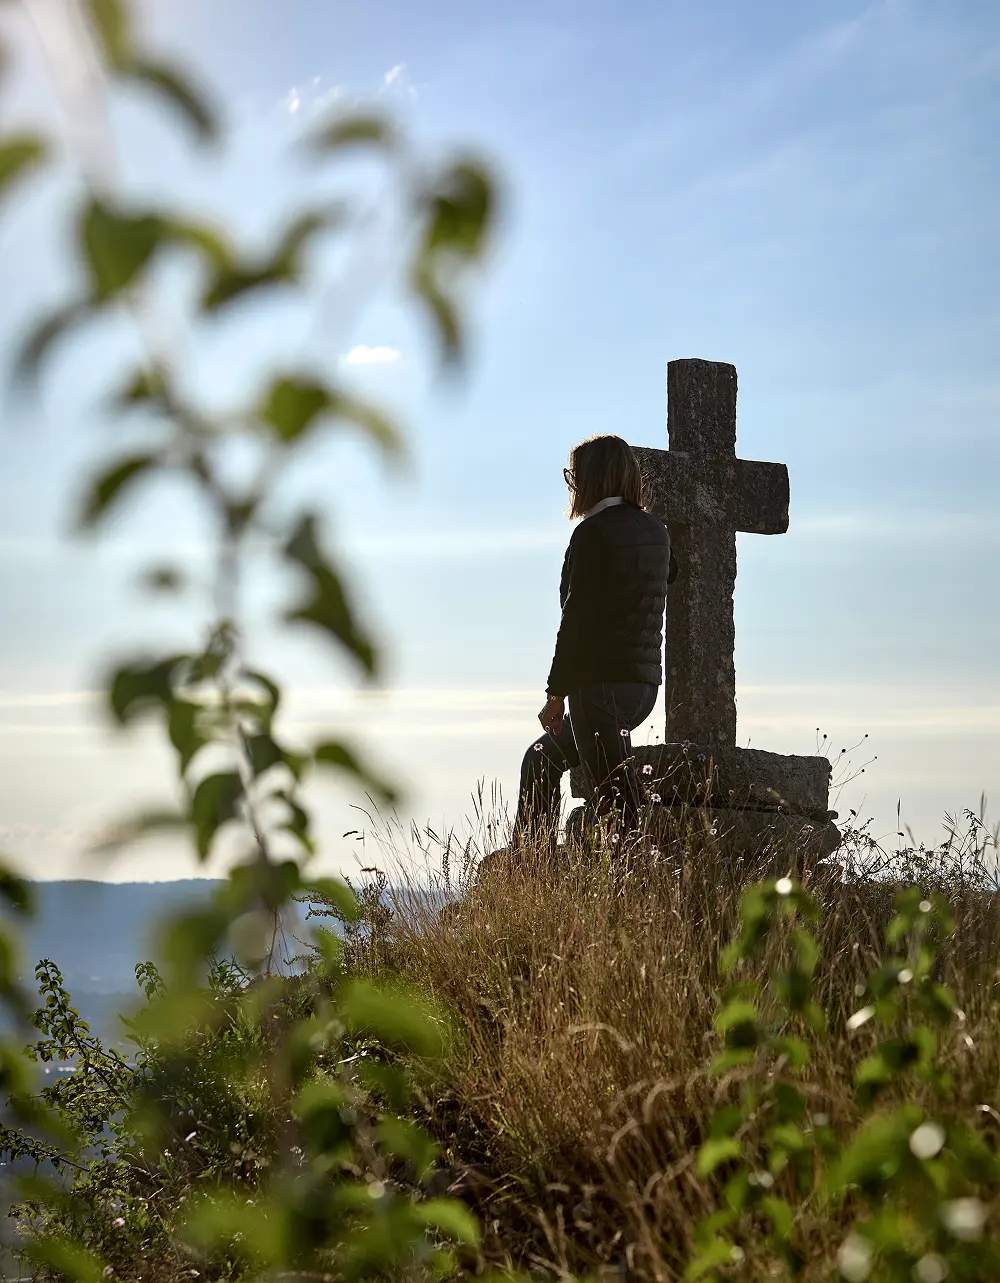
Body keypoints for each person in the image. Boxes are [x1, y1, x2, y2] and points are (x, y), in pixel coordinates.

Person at [507, 434, 677, 859]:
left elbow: (575, 623)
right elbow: (668, 573)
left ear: (592, 480)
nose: (572, 486)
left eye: (575, 476)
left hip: (596, 692)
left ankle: (637, 882)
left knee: (617, 806)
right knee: (542, 760)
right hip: (641, 690)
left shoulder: (591, 535)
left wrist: (555, 695)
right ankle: (533, 865)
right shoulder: (655, 532)